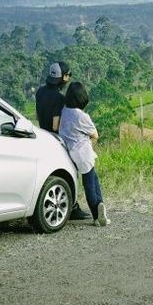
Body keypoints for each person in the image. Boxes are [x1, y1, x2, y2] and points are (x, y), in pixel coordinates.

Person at [34, 61, 91, 221]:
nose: (68, 78)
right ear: (62, 77)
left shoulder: (40, 92)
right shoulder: (59, 98)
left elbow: (39, 115)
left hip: (43, 135)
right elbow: (55, 124)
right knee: (70, 170)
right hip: (56, 138)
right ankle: (72, 207)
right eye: (68, 75)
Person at [58, 81, 109, 226]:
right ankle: (97, 213)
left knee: (93, 180)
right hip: (84, 153)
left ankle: (100, 208)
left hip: (70, 153)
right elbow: (95, 135)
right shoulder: (82, 116)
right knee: (90, 185)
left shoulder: (64, 111)